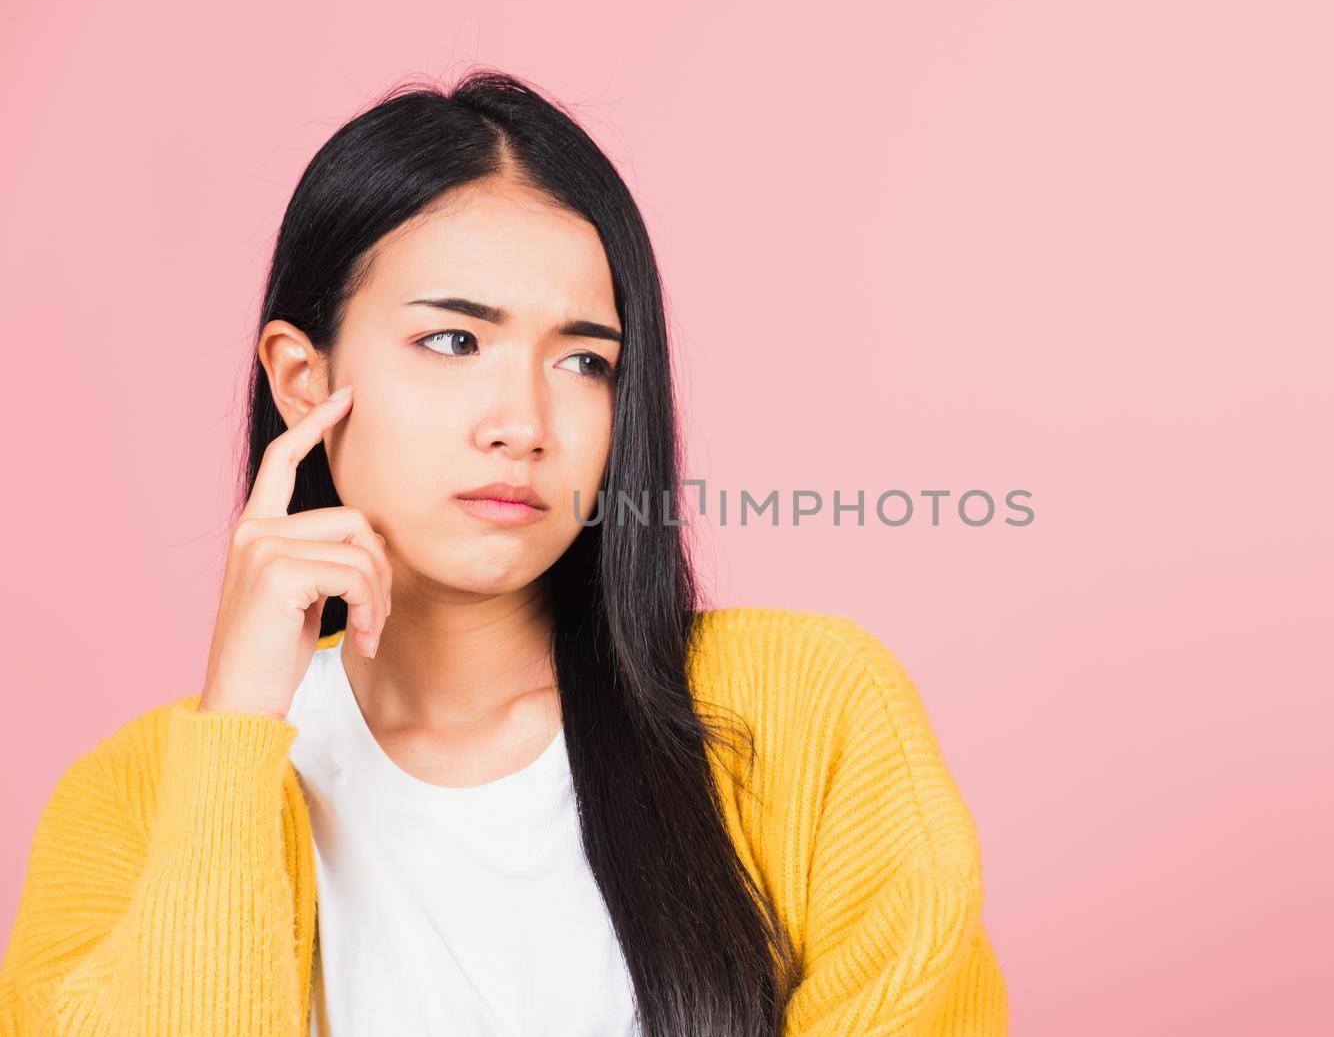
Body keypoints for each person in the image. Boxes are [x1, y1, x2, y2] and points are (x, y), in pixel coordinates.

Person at [0, 68, 1008, 1036]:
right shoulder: (131, 800)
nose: (523, 423)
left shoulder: (812, 713)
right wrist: (230, 746)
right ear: (302, 381)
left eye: (582, 361)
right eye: (452, 341)